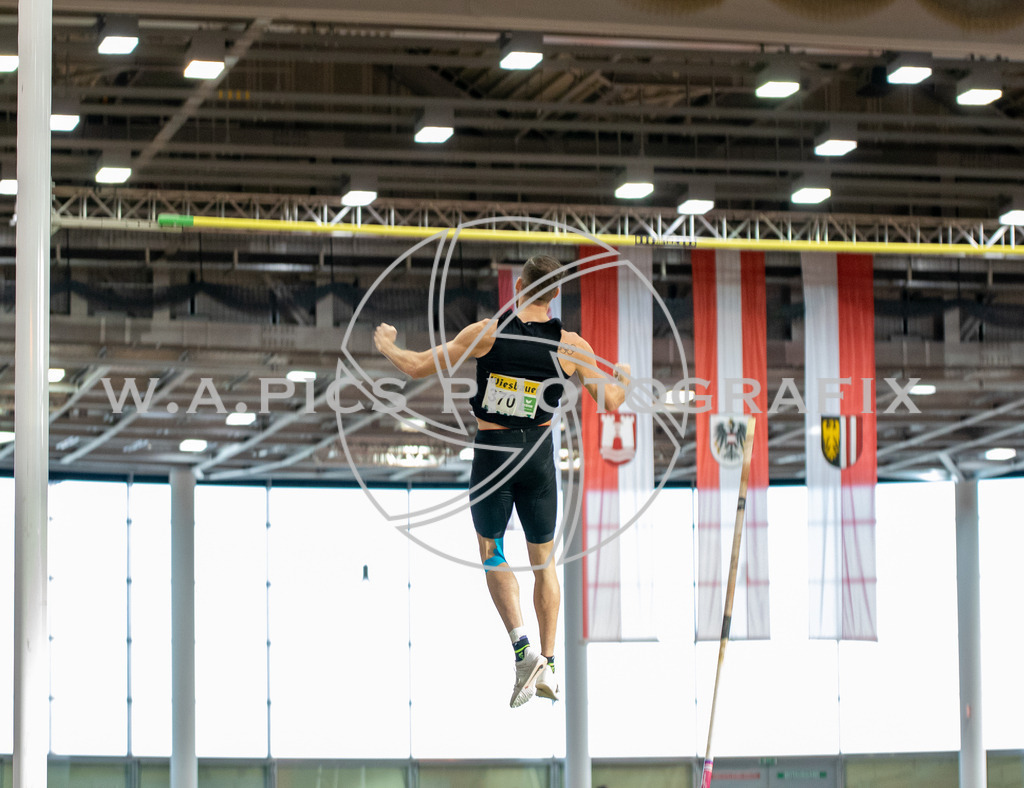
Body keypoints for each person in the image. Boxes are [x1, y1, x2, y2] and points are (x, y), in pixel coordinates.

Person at [374, 254, 629, 708]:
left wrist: (389, 344)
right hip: (539, 458)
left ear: (519, 288)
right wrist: (624, 379)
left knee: (492, 551)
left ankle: (522, 650)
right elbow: (609, 399)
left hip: (495, 456)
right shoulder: (571, 345)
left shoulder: (488, 332)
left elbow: (414, 366)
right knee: (544, 562)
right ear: (555, 295)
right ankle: (548, 662)